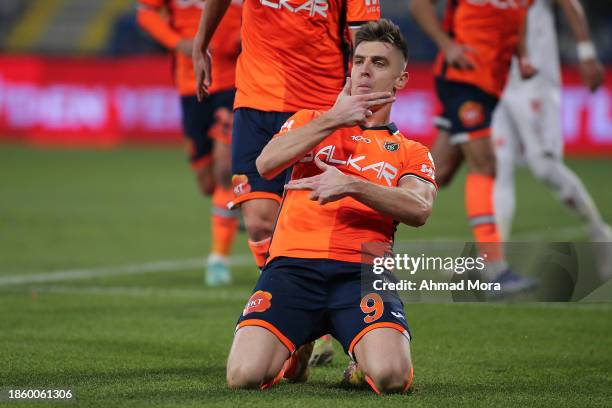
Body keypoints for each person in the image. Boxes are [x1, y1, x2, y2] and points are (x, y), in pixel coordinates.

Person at [226, 20, 437, 394]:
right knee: (243, 376)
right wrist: (334, 118)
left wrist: (352, 185)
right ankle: (296, 348)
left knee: (392, 377)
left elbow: (419, 208)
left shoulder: (411, 151)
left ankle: (359, 364)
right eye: (358, 61)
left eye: (379, 63)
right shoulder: (310, 121)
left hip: (362, 273)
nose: (365, 70)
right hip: (292, 269)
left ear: (401, 79)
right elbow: (265, 164)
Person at [192, 0, 380, 365]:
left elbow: (366, 41)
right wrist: (202, 42)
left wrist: (363, 102)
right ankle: (292, 321)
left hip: (322, 107)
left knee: (330, 217)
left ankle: (344, 325)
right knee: (261, 220)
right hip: (256, 102)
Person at [409, 0, 536, 289]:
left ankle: (362, 225)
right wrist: (447, 45)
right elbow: (419, 5)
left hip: (490, 81)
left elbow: (519, 15)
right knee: (486, 165)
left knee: (437, 172)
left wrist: (524, 54)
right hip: (462, 77)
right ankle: (494, 269)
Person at [137, 0, 242, 286]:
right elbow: (145, 12)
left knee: (224, 171)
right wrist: (178, 43)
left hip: (235, 81)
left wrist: (243, 38)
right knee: (206, 182)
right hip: (190, 83)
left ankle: (218, 259)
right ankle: (245, 202)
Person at [493, 0, 611, 244]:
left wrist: (586, 54)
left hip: (535, 80)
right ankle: (495, 260)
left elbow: (570, 4)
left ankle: (600, 233)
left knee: (544, 166)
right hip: (497, 79)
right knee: (497, 166)